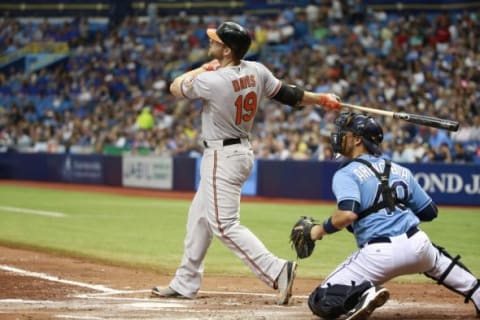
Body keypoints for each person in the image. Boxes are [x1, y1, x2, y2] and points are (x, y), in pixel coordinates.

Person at [151, 21, 341, 304]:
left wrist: (204, 68)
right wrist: (322, 99)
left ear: (226, 50)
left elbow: (175, 86)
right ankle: (185, 281)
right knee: (199, 218)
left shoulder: (212, 80)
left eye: (215, 42)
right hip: (240, 152)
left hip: (221, 155)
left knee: (225, 226)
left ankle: (278, 270)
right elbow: (289, 95)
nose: (210, 43)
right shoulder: (256, 70)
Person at [304, 112, 480, 319]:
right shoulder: (401, 169)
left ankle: (365, 293)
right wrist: (394, 208)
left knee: (319, 300)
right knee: (436, 258)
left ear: (358, 139)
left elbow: (347, 215)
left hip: (378, 254)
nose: (339, 136)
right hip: (417, 245)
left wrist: (318, 230)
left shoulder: (346, 172)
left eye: (346, 133)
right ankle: (477, 291)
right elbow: (429, 212)